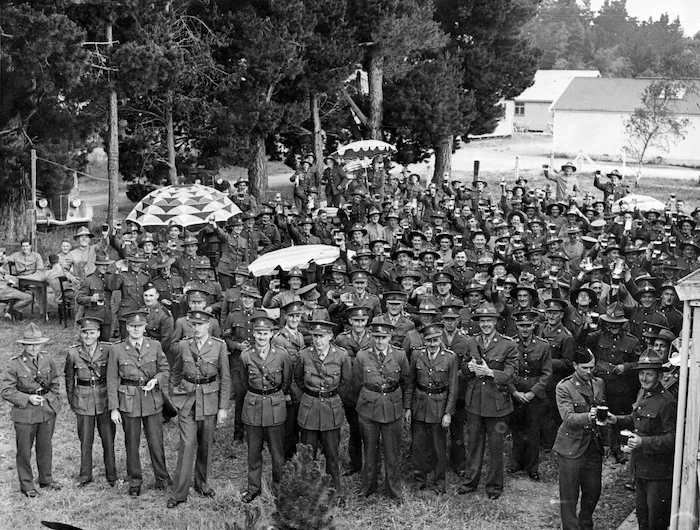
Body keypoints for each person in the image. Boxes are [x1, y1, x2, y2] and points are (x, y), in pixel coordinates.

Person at [167, 310, 231, 508]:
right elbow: (176, 371)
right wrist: (174, 394)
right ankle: (179, 493)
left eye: (200, 325)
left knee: (205, 444)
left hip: (210, 400)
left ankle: (202, 484)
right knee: (187, 445)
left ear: (208, 326)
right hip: (187, 400)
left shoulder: (219, 346)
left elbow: (226, 378)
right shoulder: (184, 345)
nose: (196, 329)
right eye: (193, 325)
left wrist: (223, 407)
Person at [610, 349, 677, 530]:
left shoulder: (667, 402)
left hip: (659, 473)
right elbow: (635, 420)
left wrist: (643, 443)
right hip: (640, 469)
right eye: (641, 373)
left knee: (657, 522)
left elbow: (673, 439)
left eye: (649, 374)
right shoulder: (643, 395)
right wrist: (615, 419)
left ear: (659, 376)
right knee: (643, 518)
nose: (644, 378)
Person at [107, 310, 172, 496]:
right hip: (129, 401)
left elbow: (165, 370)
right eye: (132, 326)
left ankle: (162, 478)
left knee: (156, 441)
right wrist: (114, 408)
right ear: (127, 328)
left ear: (145, 327)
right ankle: (135, 481)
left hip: (152, 400)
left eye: (140, 326)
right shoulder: (117, 349)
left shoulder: (155, 345)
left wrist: (157, 380)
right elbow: (112, 380)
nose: (136, 329)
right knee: (131, 442)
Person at [458, 304, 519, 500]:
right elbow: (463, 368)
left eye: (489, 321)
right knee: (474, 444)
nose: (485, 324)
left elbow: (512, 375)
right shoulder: (471, 342)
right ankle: (470, 482)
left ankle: (494, 486)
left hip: (497, 403)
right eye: (482, 321)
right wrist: (467, 367)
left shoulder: (508, 344)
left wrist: (491, 372)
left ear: (495, 322)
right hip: (475, 401)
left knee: (495, 447)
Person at [554, 347, 614, 530]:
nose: (589, 371)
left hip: (593, 446)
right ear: (574, 366)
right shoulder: (564, 387)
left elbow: (604, 414)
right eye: (585, 368)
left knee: (593, 491)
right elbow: (568, 418)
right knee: (569, 495)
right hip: (571, 446)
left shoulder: (598, 383)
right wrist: (589, 416)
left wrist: (606, 442)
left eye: (592, 367)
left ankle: (585, 523)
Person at [1, 324, 62, 497]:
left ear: (42, 344)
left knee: (45, 448)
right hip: (25, 412)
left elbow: (55, 381)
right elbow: (6, 390)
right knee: (24, 451)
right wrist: (27, 398)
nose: (34, 347)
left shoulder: (47, 359)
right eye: (30, 344)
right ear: (24, 345)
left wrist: (55, 400)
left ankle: (46, 480)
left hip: (46, 410)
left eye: (37, 344)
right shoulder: (14, 364)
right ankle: (27, 485)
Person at [352, 320, 409, 500]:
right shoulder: (362, 356)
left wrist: (406, 407)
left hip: (392, 407)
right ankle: (368, 488)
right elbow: (355, 383)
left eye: (383, 338)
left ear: (389, 337)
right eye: (376, 337)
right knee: (370, 450)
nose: (379, 341)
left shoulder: (399, 355)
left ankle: (393, 490)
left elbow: (406, 382)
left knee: (392, 452)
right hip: (369, 408)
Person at [239, 316, 292, 503]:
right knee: (254, 451)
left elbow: (286, 381)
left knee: (277, 452)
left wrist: (277, 395)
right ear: (253, 334)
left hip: (275, 406)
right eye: (258, 333)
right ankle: (253, 488)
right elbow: (243, 382)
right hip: (253, 407)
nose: (262, 336)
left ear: (271, 334)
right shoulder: (245, 356)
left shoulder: (282, 355)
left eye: (265, 333)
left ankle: (279, 487)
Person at [295, 320, 352, 491]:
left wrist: (328, 394)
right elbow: (298, 379)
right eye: (315, 336)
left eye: (322, 336)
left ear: (330, 337)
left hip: (331, 409)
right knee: (307, 455)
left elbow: (345, 380)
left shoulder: (341, 355)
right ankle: (308, 492)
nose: (318, 341)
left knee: (332, 455)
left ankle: (334, 490)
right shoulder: (304, 355)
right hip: (309, 409)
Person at [404, 322, 458, 494]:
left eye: (435, 340)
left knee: (438, 447)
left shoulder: (450, 357)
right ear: (424, 341)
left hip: (439, 406)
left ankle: (439, 481)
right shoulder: (416, 355)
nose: (432, 344)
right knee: (418, 446)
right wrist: (408, 408)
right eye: (429, 341)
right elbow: (411, 383)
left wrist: (448, 413)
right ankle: (419, 480)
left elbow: (453, 388)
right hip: (419, 405)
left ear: (440, 338)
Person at [64, 317, 117, 488]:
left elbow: (113, 377)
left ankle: (112, 475)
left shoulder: (108, 350)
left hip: (104, 399)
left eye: (91, 333)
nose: (88, 336)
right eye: (85, 332)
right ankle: (85, 475)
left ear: (98, 334)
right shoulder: (73, 353)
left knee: (108, 439)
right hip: (83, 399)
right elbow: (69, 380)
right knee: (85, 440)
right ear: (81, 333)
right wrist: (72, 401)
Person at [508, 310, 552, 481]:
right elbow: (507, 370)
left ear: (534, 325)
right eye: (521, 326)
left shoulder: (543, 346)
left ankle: (532, 467)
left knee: (534, 431)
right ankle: (516, 462)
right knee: (517, 429)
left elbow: (547, 374)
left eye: (528, 326)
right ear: (517, 326)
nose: (525, 329)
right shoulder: (511, 344)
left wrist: (533, 392)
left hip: (535, 395)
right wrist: (514, 391)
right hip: (517, 392)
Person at [76, 251, 114, 341]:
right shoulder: (89, 280)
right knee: (91, 343)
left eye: (106, 265)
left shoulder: (110, 278)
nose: (105, 267)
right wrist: (90, 299)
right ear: (97, 265)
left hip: (106, 317)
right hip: (93, 317)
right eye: (102, 265)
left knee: (105, 344)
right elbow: (79, 298)